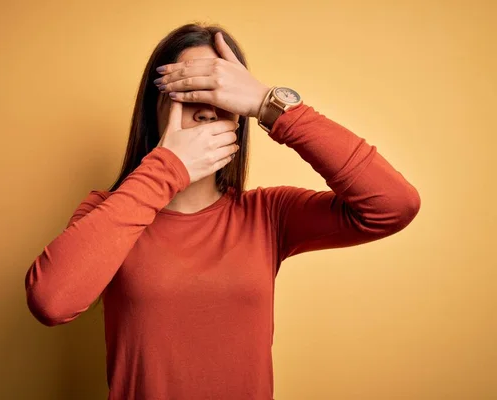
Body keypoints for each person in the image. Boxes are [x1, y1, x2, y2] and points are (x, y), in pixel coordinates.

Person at [24, 23, 421, 400]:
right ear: (156, 107)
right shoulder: (107, 213)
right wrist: (167, 169)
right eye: (190, 90)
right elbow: (52, 301)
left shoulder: (267, 214)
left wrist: (271, 105)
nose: (207, 110)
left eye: (220, 93)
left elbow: (394, 205)